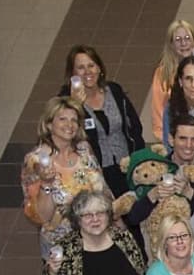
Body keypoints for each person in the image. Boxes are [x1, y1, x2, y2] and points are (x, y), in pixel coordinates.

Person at [20, 96, 104, 257]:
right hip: (62, 247)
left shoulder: (84, 149)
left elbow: (103, 188)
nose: (69, 125)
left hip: (96, 238)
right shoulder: (35, 161)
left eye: (74, 120)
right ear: (49, 124)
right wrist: (46, 183)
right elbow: (42, 217)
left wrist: (117, 222)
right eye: (63, 119)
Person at [62, 43, 146, 196]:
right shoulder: (65, 102)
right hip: (94, 175)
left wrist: (139, 159)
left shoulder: (114, 90)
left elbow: (134, 127)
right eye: (81, 67)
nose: (87, 71)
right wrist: (75, 107)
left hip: (127, 166)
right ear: (72, 73)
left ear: (99, 68)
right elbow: (67, 138)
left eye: (91, 65)